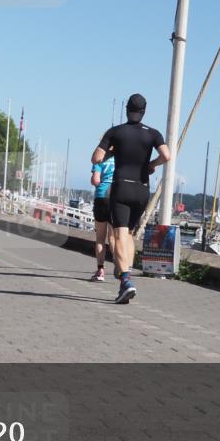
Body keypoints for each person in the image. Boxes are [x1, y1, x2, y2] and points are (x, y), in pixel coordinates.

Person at [91, 94, 171, 304]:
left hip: (122, 187)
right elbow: (167, 155)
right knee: (129, 235)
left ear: (127, 110)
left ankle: (125, 280)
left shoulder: (116, 132)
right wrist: (151, 165)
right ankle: (126, 272)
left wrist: (109, 152)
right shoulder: (153, 133)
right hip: (142, 190)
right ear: (144, 111)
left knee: (119, 235)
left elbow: (96, 158)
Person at [90, 153, 116, 281]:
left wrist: (94, 179)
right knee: (113, 238)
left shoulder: (99, 159)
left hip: (101, 197)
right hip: (116, 198)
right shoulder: (121, 158)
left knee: (100, 238)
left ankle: (100, 271)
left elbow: (96, 180)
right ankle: (120, 267)